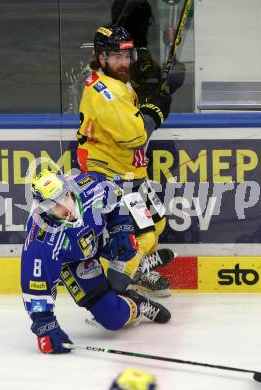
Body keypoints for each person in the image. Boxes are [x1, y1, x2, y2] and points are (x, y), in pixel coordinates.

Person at [21, 168, 171, 354]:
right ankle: (138, 303)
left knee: (131, 246)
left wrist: (120, 229)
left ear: (69, 189)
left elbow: (117, 196)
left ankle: (137, 268)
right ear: (44, 208)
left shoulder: (90, 187)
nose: (65, 208)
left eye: (64, 197)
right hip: (74, 260)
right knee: (113, 318)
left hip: (100, 237)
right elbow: (36, 284)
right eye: (55, 205)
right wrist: (45, 326)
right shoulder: (41, 238)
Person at [76, 24, 174, 298]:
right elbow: (134, 136)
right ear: (101, 57)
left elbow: (127, 113)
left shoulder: (116, 83)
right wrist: (155, 113)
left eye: (127, 55)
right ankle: (115, 294)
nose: (124, 62)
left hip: (130, 172)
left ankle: (138, 272)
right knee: (142, 237)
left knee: (157, 223)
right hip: (112, 178)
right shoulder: (105, 91)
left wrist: (148, 100)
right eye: (116, 56)